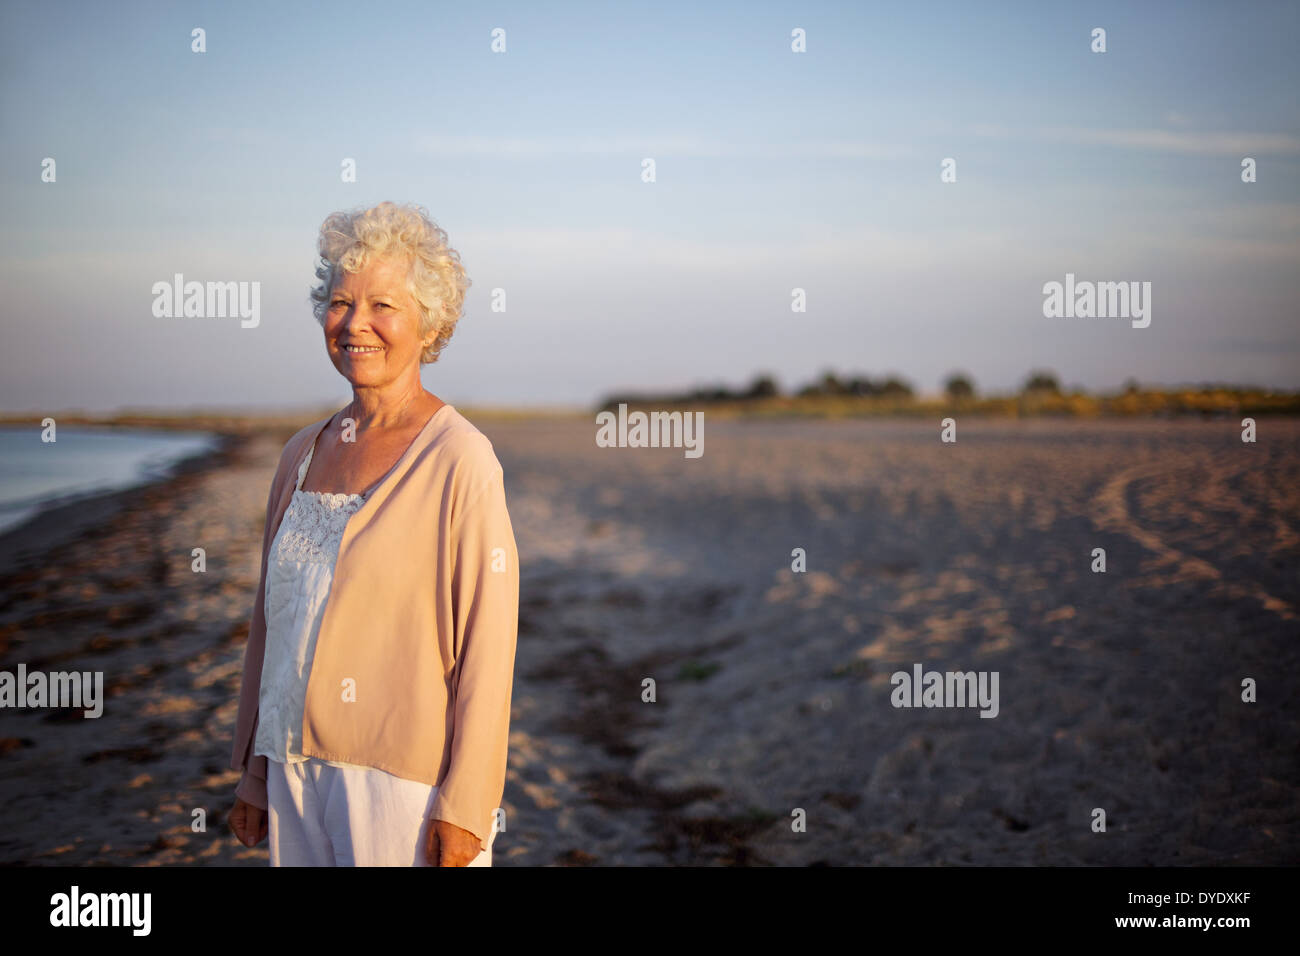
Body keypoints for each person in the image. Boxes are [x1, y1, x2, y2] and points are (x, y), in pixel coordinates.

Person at [226, 201, 519, 866]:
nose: (355, 324)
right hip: (292, 769)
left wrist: (469, 802)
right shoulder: (299, 455)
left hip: (401, 788)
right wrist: (253, 769)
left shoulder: (461, 460)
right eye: (339, 303)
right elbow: (269, 626)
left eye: (382, 305)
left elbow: (489, 644)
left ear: (429, 322)